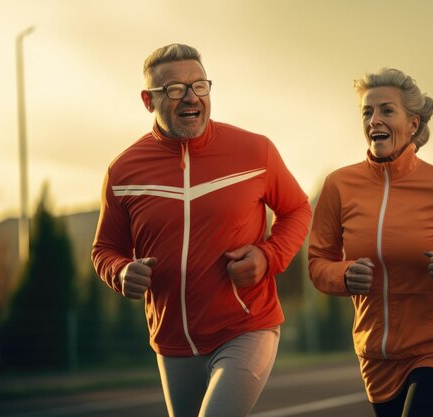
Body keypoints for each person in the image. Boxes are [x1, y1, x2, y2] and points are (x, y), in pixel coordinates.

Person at [91, 43, 311, 417]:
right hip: (172, 343)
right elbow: (105, 250)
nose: (191, 97)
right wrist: (121, 271)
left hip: (246, 327)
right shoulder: (123, 172)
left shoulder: (255, 152)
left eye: (200, 86)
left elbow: (297, 209)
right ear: (148, 100)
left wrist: (267, 256)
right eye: (174, 89)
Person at [308, 68, 433, 417]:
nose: (374, 120)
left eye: (386, 110)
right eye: (367, 112)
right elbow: (318, 262)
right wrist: (344, 275)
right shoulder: (338, 186)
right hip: (376, 355)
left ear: (412, 124)